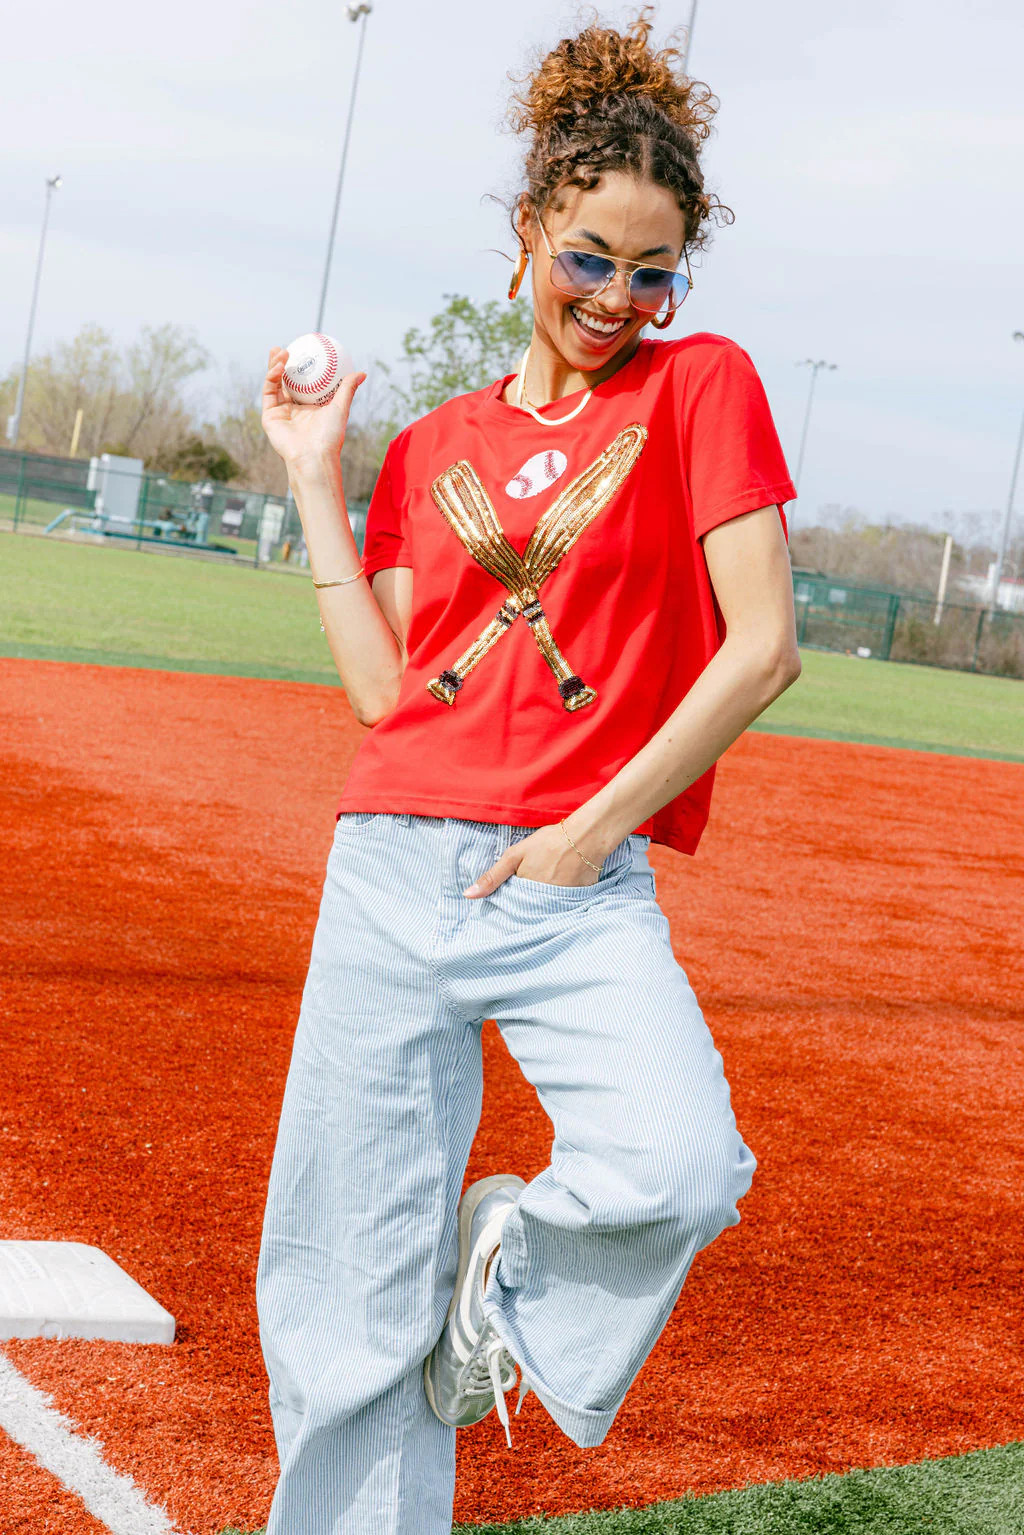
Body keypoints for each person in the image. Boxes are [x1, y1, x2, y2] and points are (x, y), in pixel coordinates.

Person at [255, 10, 800, 1533]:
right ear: (527, 234)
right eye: (587, 258)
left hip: (567, 877)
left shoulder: (700, 390)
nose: (617, 297)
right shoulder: (433, 443)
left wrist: (589, 830)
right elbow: (384, 688)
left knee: (681, 1162)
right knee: (345, 1290)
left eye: (652, 270)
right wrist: (316, 481)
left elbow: (762, 649)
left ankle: (506, 1272)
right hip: (387, 867)